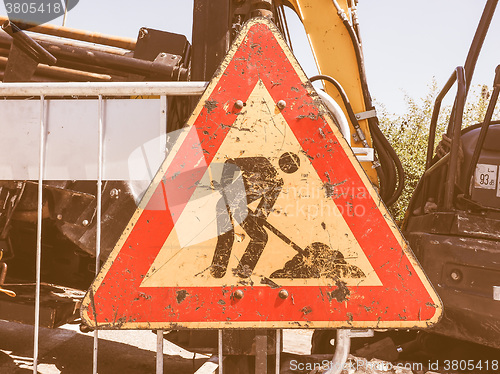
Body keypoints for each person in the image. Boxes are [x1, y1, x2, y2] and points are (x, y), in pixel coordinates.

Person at [210, 152, 300, 278]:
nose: (286, 168)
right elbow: (230, 162)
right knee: (227, 236)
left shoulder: (277, 183)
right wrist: (225, 184)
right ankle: (217, 271)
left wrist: (257, 220)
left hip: (240, 208)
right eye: (286, 164)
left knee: (260, 237)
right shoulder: (262, 163)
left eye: (291, 168)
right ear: (281, 160)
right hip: (225, 202)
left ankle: (243, 271)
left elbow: (264, 209)